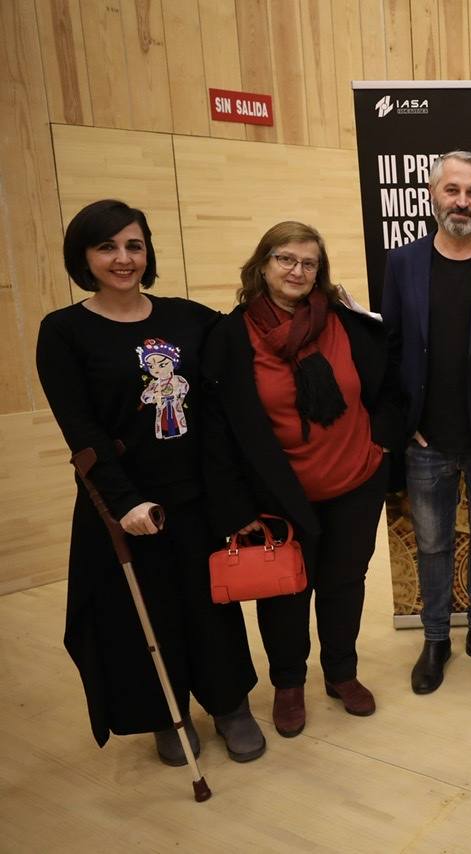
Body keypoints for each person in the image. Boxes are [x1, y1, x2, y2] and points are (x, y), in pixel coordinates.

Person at [36, 199, 262, 765]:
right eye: (107, 246)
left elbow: (243, 357)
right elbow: (80, 429)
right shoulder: (64, 332)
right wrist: (125, 501)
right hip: (127, 505)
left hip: (197, 496)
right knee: (146, 614)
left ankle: (231, 703)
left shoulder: (188, 318)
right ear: (83, 256)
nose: (123, 259)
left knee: (211, 608)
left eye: (133, 246)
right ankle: (169, 712)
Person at [203, 221, 398, 737]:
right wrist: (237, 505)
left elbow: (387, 382)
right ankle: (289, 683)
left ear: (320, 272)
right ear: (263, 264)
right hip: (281, 495)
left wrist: (383, 442)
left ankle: (341, 673)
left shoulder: (346, 322)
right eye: (286, 259)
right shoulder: (231, 335)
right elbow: (220, 430)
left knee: (344, 584)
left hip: (356, 481)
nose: (297, 271)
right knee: (285, 593)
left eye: (308, 263)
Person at [382, 151, 471, 694]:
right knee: (434, 544)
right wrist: (403, 424)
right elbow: (388, 348)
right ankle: (435, 637)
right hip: (426, 439)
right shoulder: (404, 263)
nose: (462, 201)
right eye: (452, 190)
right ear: (433, 194)